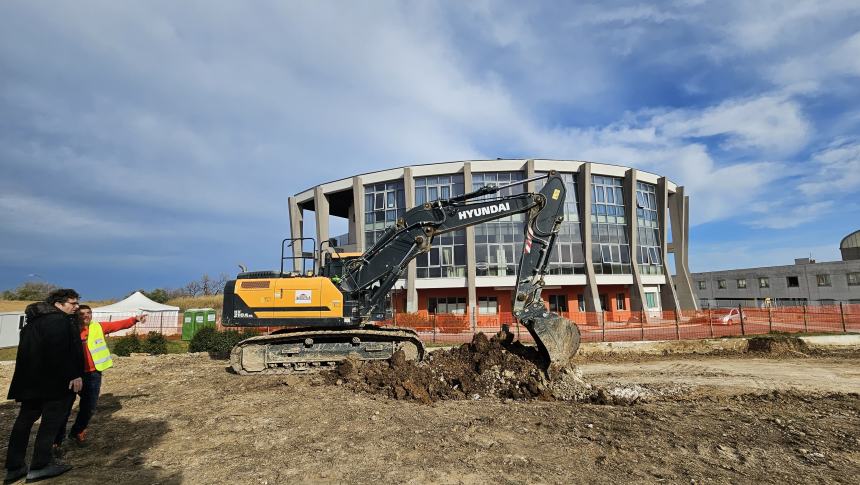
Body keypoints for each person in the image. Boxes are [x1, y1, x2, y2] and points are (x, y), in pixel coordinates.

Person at [5, 289, 83, 484]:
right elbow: (60, 352)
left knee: (23, 422)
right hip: (54, 383)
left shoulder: (33, 322)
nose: (77, 307)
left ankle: (14, 467)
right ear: (58, 303)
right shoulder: (60, 321)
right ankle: (40, 465)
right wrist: (74, 374)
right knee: (50, 423)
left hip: (30, 382)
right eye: (72, 303)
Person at [56, 305, 146, 448]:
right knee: (64, 409)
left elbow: (117, 325)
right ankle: (56, 441)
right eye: (82, 313)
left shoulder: (97, 327)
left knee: (89, 408)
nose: (86, 315)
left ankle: (77, 432)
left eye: (89, 313)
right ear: (76, 315)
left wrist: (134, 319)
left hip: (93, 374)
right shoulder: (69, 329)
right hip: (72, 375)